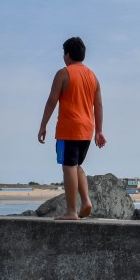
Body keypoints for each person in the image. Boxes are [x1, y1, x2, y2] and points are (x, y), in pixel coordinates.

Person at [37, 37, 107, 220]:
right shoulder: (93, 76)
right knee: (76, 166)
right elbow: (98, 105)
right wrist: (99, 131)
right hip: (87, 129)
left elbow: (52, 100)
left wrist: (43, 124)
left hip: (69, 128)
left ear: (67, 55)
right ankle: (86, 201)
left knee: (68, 167)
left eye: (64, 53)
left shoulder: (63, 73)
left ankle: (71, 211)